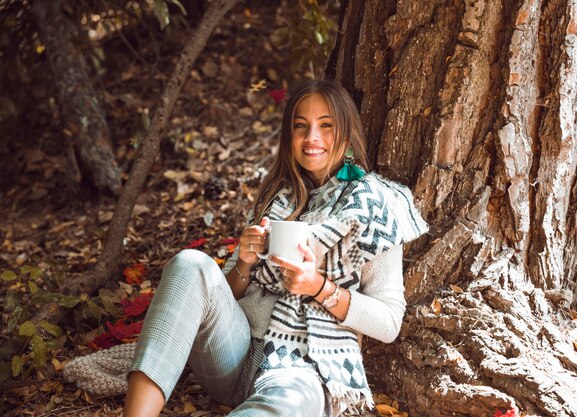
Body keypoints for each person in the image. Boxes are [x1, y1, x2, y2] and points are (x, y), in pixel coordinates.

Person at [122, 80, 428, 417]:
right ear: (289, 137)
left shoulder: (375, 208)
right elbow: (217, 297)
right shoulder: (277, 197)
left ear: (346, 134)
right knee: (189, 264)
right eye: (301, 126)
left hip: (304, 370)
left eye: (326, 126)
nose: (311, 136)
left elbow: (388, 322)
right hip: (235, 356)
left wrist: (319, 288)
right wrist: (244, 264)